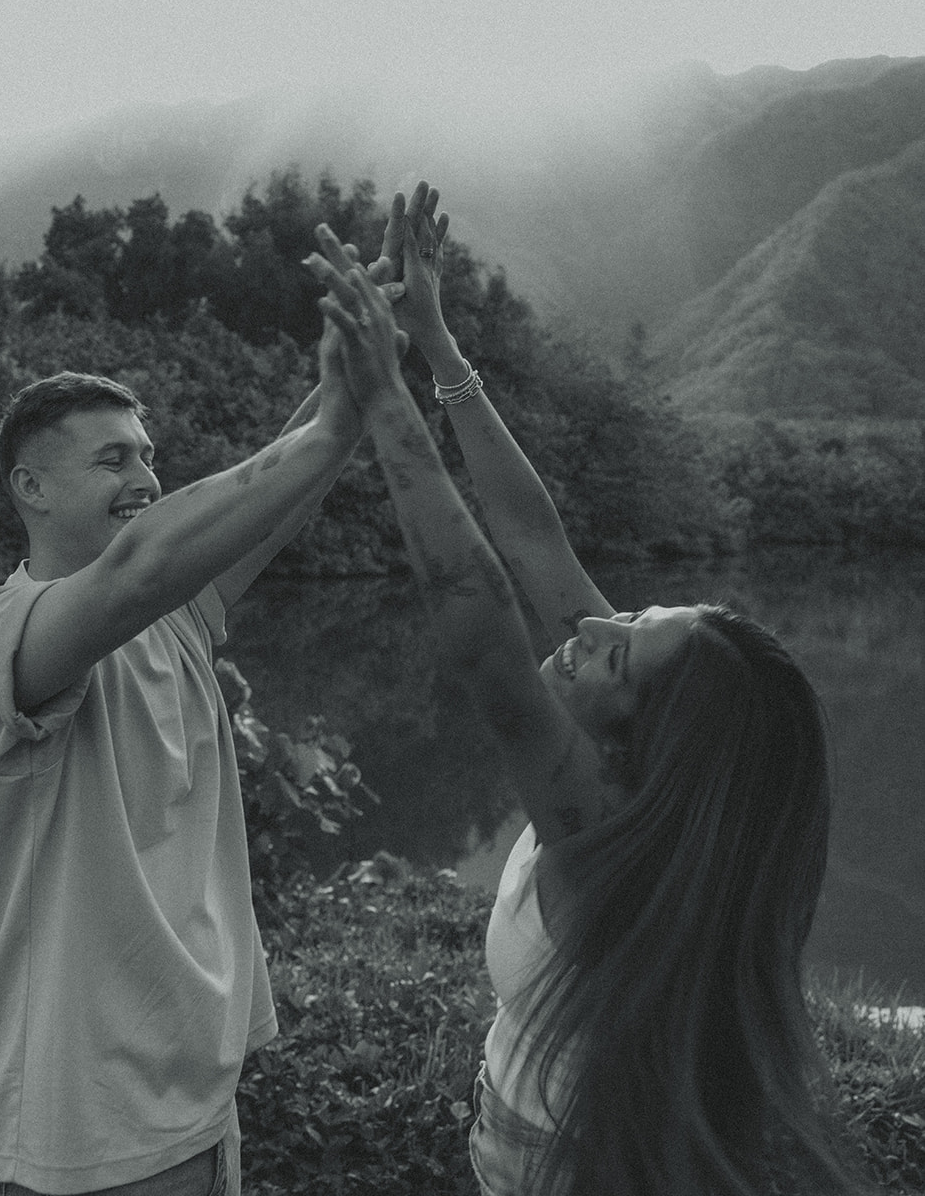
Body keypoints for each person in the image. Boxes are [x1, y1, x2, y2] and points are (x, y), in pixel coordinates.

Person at [307, 189, 864, 1196]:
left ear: (642, 740)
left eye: (614, 652)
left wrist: (380, 393)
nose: (589, 628)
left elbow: (479, 623)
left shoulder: (601, 837)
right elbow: (531, 537)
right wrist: (434, 343)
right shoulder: (645, 769)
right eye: (623, 619)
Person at [0, 348, 375, 1196]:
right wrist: (343, 419)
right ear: (32, 488)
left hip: (191, 1090)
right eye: (111, 459)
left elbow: (270, 507)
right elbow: (140, 570)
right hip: (76, 1127)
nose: (144, 476)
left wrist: (359, 362)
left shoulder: (173, 618)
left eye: (147, 455)